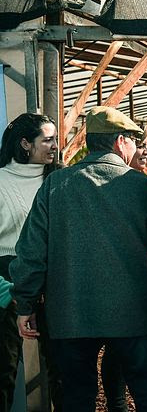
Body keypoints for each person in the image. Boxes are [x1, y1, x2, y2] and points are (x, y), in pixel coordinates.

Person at [10, 106, 147, 411]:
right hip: (130, 313)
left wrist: (26, 303)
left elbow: (31, 252)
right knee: (146, 390)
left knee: (77, 395)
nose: (137, 146)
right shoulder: (143, 187)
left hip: (71, 314)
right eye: (134, 140)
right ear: (120, 141)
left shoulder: (54, 186)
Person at [101, 137, 147, 412]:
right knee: (116, 339)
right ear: (121, 147)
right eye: (138, 145)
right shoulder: (113, 183)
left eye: (146, 146)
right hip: (123, 267)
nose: (144, 151)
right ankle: (116, 404)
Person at [0, 113, 59, 411]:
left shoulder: (60, 180)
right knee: (4, 370)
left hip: (54, 281)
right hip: (5, 283)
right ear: (24, 143)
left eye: (55, 139)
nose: (55, 146)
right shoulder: (0, 182)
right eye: (47, 140)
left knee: (62, 371)